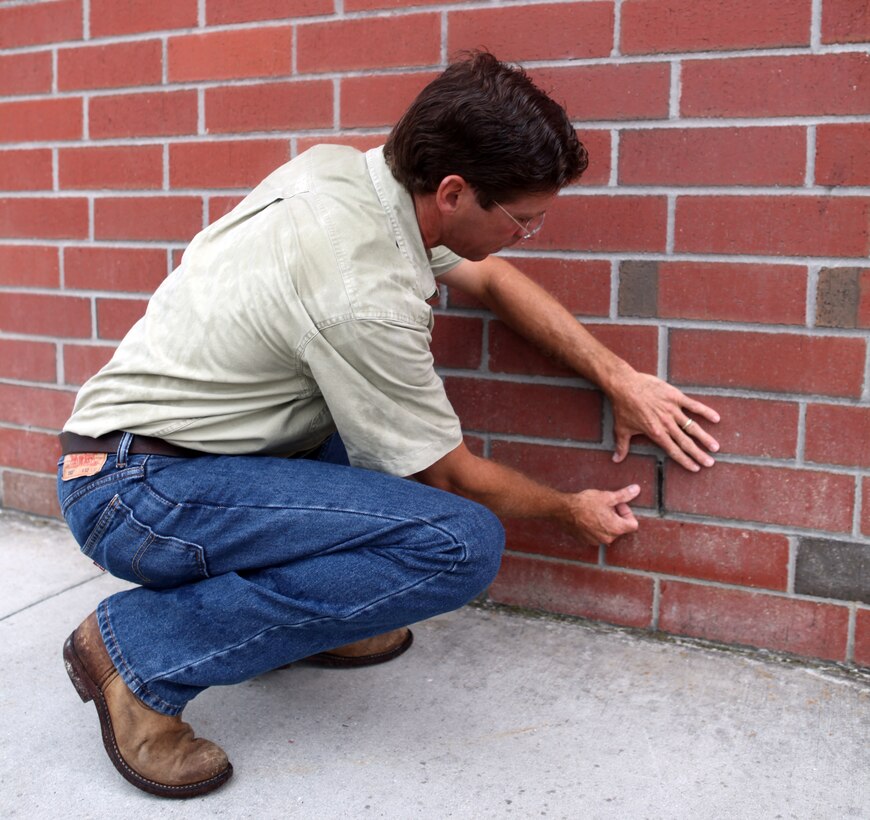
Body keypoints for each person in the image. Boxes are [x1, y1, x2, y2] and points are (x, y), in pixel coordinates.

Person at [57, 52, 720, 799]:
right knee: (459, 543)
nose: (530, 234)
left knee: (369, 435)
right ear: (454, 192)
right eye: (524, 220)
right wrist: (569, 511)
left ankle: (306, 624)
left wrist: (619, 378)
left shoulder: (347, 176)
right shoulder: (362, 290)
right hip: (137, 492)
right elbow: (444, 475)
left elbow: (493, 279)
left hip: (176, 458)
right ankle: (140, 655)